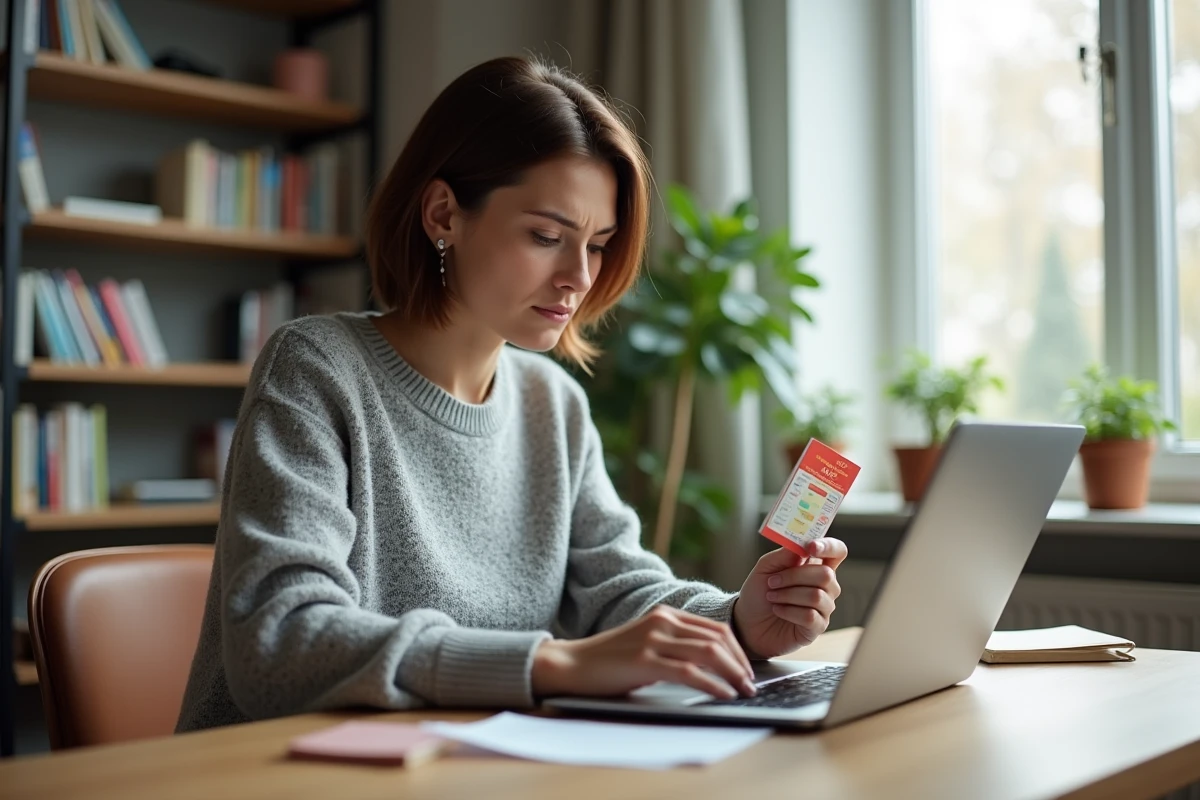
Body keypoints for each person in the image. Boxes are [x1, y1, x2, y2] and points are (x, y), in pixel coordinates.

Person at [176, 56, 847, 732]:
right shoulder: (316, 369)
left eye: (599, 245)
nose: (578, 277)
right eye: (546, 236)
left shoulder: (551, 406)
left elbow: (617, 590)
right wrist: (552, 665)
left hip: (455, 764)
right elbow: (281, 642)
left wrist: (738, 619)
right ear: (443, 214)